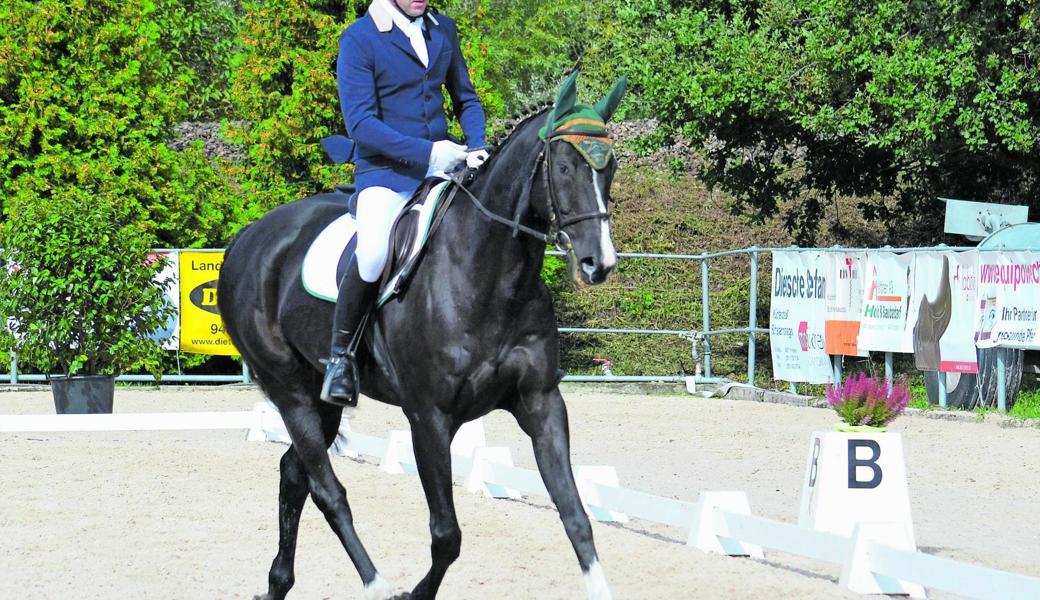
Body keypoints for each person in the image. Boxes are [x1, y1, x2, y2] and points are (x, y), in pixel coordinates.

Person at [323, 0, 489, 405]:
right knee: (375, 252)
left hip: (446, 168)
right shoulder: (359, 38)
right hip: (385, 174)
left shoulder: (442, 29)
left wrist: (478, 144)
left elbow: (465, 99)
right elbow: (361, 124)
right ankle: (340, 358)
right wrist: (429, 153)